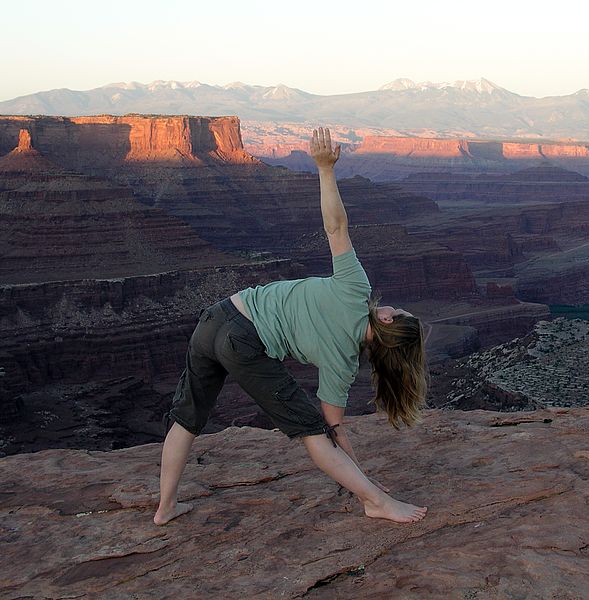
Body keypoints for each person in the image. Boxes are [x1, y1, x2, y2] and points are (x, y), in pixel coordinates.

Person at [153, 127, 429, 526]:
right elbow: (333, 435)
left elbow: (336, 228)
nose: (392, 306)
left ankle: (166, 507)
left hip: (217, 316)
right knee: (312, 433)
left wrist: (324, 169)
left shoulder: (356, 289)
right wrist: (369, 487)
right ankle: (377, 503)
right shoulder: (343, 365)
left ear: (386, 319)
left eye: (397, 309)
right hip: (242, 342)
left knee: (186, 418)